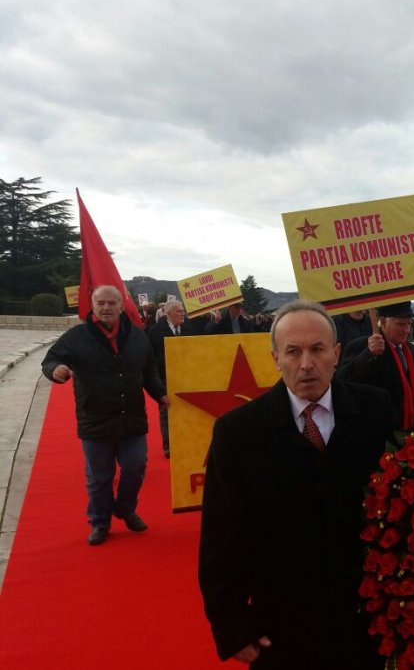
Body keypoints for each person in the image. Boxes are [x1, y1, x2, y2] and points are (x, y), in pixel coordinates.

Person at [199, 300, 394, 668]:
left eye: (317, 349)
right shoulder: (237, 432)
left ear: (336, 353)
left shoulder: (375, 410)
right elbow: (220, 537)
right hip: (283, 624)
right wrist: (230, 624)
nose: (306, 364)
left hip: (368, 618)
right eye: (293, 351)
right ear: (275, 358)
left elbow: (405, 494)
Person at [41, 285, 167, 546]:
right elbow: (50, 360)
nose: (106, 307)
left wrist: (161, 394)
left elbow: (149, 371)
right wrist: (56, 369)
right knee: (99, 478)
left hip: (131, 416)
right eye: (101, 303)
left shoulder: (138, 336)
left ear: (121, 306)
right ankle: (100, 521)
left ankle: (125, 508)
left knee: (136, 466)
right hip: (95, 418)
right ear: (93, 306)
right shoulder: (77, 336)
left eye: (111, 303)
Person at [337, 300, 414, 430]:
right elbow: (343, 380)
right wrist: (369, 354)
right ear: (383, 322)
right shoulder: (360, 346)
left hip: (411, 426)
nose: (407, 330)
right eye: (400, 324)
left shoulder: (412, 350)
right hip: (379, 429)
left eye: (409, 324)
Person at [147, 299, 193, 458]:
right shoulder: (155, 332)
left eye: (183, 310)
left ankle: (186, 441)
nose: (183, 313)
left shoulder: (187, 327)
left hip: (186, 377)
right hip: (165, 377)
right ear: (169, 313)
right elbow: (151, 359)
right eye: (179, 311)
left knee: (187, 410)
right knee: (166, 411)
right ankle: (169, 446)